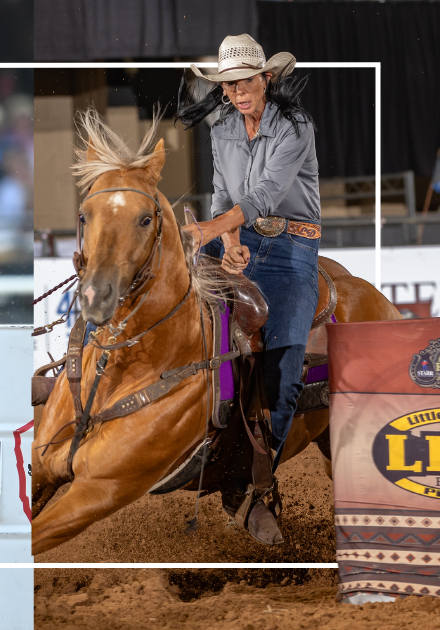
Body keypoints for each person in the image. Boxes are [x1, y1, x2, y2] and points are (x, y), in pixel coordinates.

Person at [176, 34, 320, 545]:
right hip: (241, 242)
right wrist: (230, 241)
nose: (238, 92)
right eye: (229, 85)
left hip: (291, 252)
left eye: (245, 82)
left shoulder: (295, 127)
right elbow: (223, 196)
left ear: (266, 79)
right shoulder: (222, 132)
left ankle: (259, 488)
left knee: (283, 371)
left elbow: (264, 195)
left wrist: (211, 232)